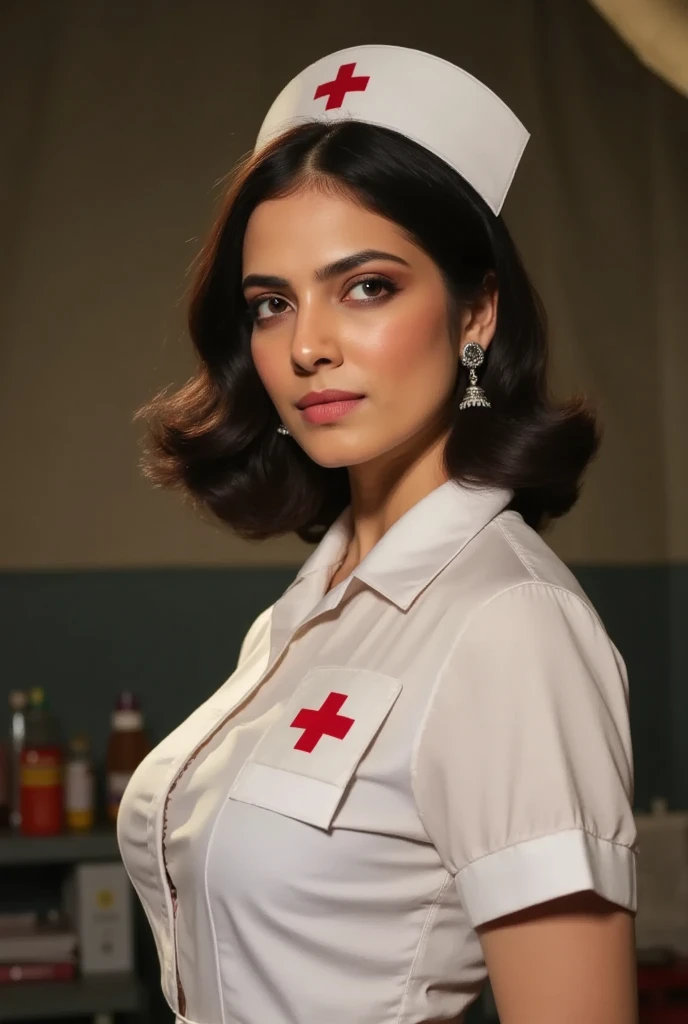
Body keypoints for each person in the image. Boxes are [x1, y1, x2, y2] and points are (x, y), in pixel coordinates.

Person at [117, 43, 639, 1024]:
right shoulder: (305, 615)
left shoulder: (508, 624)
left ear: (476, 311)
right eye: (272, 304)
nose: (308, 344)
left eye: (366, 286)